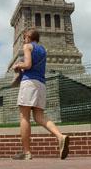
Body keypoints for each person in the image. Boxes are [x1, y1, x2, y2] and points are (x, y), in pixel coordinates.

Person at [11, 28, 70, 160]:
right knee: (39, 116)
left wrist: (18, 65)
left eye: (24, 37)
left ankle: (26, 152)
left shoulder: (28, 46)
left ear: (29, 37)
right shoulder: (43, 50)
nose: (23, 40)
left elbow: (27, 64)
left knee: (24, 117)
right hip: (41, 84)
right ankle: (60, 136)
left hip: (29, 83)